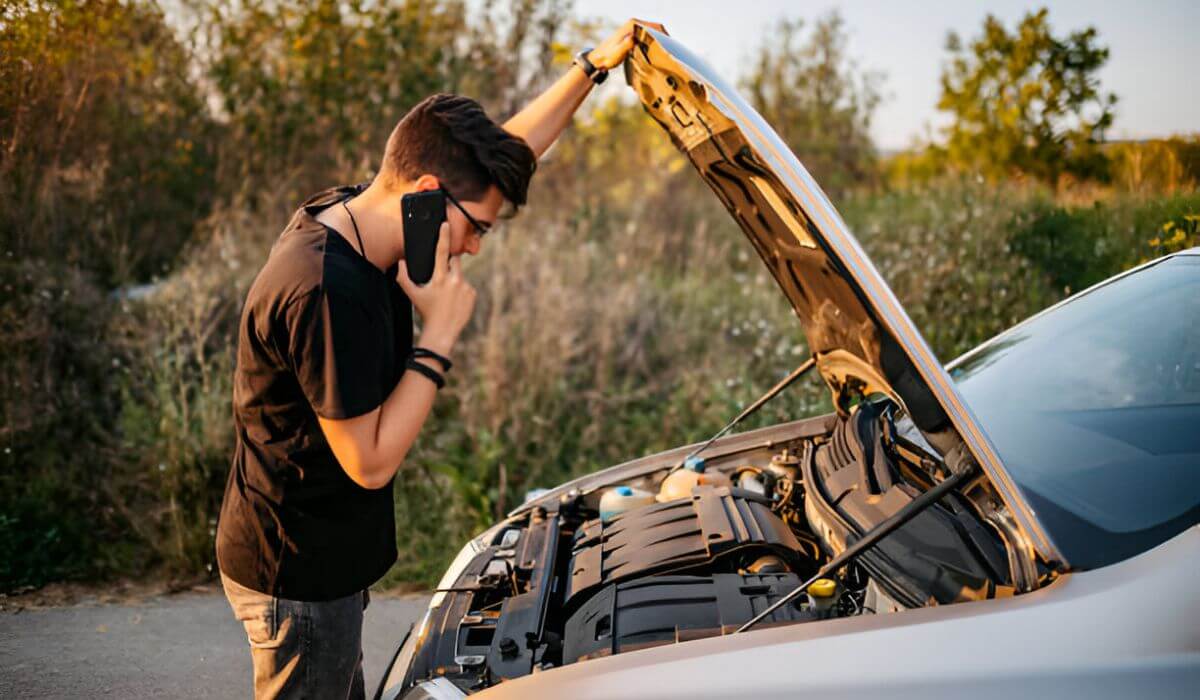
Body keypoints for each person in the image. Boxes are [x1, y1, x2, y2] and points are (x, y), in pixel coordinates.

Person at [214, 17, 664, 700]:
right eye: (476, 228)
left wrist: (591, 69)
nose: (477, 247)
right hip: (298, 575)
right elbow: (369, 462)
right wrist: (439, 337)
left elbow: (507, 154)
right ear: (426, 196)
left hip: (328, 553)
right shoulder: (324, 290)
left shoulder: (360, 215)